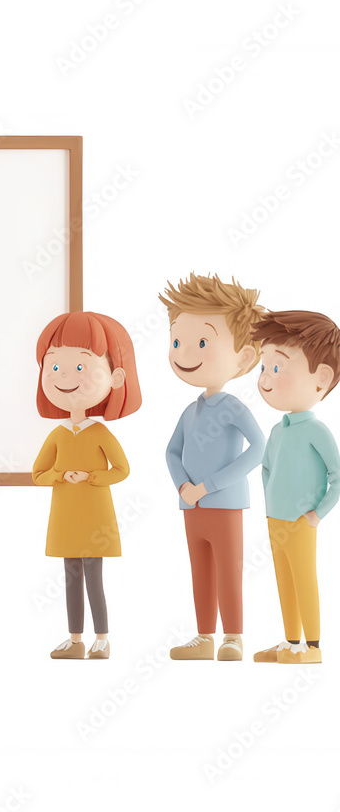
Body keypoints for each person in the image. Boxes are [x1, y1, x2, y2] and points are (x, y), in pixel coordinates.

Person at [160, 273, 265, 662]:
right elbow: (171, 452)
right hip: (192, 507)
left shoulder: (234, 407)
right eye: (176, 341)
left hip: (223, 505)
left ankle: (233, 636)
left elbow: (258, 448)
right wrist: (184, 488)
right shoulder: (190, 411)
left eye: (201, 342)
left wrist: (208, 485)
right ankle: (204, 636)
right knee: (200, 570)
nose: (184, 352)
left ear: (244, 357)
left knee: (229, 569)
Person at [32, 311, 141, 660]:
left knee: (95, 576)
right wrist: (60, 477)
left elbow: (122, 469)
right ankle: (75, 638)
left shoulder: (100, 433)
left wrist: (92, 478)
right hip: (65, 515)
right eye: (54, 366)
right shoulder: (57, 435)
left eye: (80, 367)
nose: (65, 376)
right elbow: (38, 473)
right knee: (70, 576)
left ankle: (103, 638)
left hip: (94, 516)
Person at [251, 310, 340, 664]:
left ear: (321, 378)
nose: (265, 379)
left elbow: (338, 474)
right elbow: (266, 468)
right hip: (276, 519)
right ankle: (290, 642)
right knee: (284, 581)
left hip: (302, 521)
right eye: (263, 367)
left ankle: (313, 648)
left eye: (278, 367)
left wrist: (318, 513)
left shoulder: (316, 431)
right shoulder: (277, 431)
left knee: (304, 579)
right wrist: (270, 502)